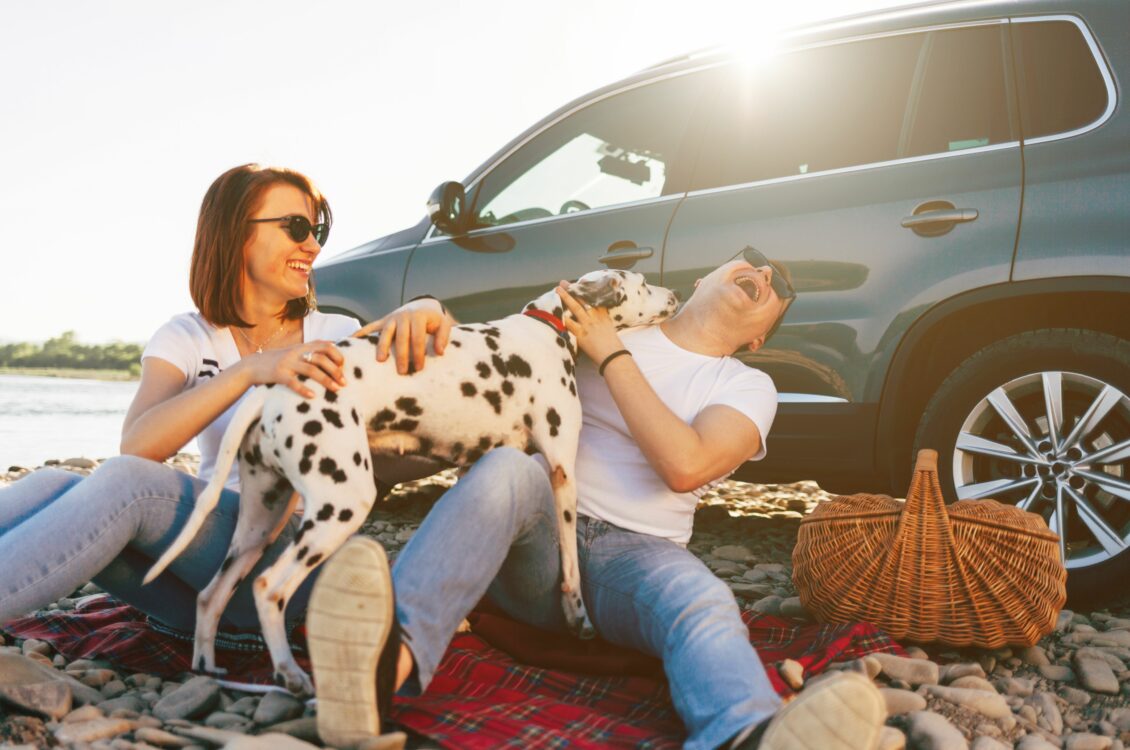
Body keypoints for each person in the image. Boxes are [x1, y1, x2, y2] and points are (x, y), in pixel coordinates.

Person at [306, 248, 888, 750]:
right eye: (751, 258)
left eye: (777, 285)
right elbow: (484, 373)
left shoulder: (742, 384)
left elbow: (685, 466)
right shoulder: (592, 322)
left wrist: (609, 354)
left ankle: (750, 732)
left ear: (759, 337)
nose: (762, 271)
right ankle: (373, 679)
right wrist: (427, 310)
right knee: (508, 466)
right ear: (703, 279)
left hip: (633, 559)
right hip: (529, 537)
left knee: (704, 598)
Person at [0, 163, 364, 633]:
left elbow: (131, 470)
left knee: (128, 485)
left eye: (317, 230)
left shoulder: (337, 336)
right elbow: (139, 443)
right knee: (52, 484)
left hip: (286, 568)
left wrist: (426, 309)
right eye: (296, 227)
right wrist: (246, 372)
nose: (312, 245)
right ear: (236, 233)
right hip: (195, 581)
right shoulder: (187, 336)